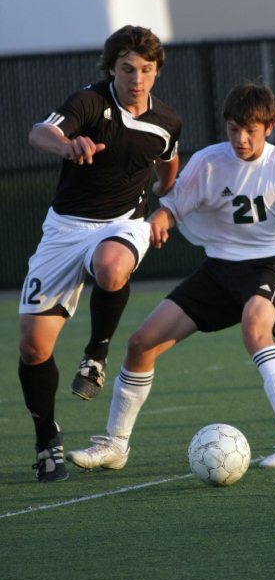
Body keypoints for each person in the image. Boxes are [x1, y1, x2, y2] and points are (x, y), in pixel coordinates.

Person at [67, 81, 275, 473]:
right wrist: (158, 221)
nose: (240, 138)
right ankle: (116, 445)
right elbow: (172, 207)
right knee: (140, 344)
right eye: (233, 129)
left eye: (250, 131)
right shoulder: (209, 161)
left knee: (256, 330)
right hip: (218, 272)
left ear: (269, 127)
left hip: (268, 267)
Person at [19, 25, 181, 482]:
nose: (137, 79)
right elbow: (39, 133)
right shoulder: (90, 103)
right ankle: (46, 437)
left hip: (123, 224)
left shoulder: (166, 122)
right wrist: (67, 144)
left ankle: (96, 353)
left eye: (146, 70)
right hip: (65, 229)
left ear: (156, 72)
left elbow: (170, 164)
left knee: (112, 268)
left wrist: (165, 208)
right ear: (112, 68)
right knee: (33, 347)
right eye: (128, 69)